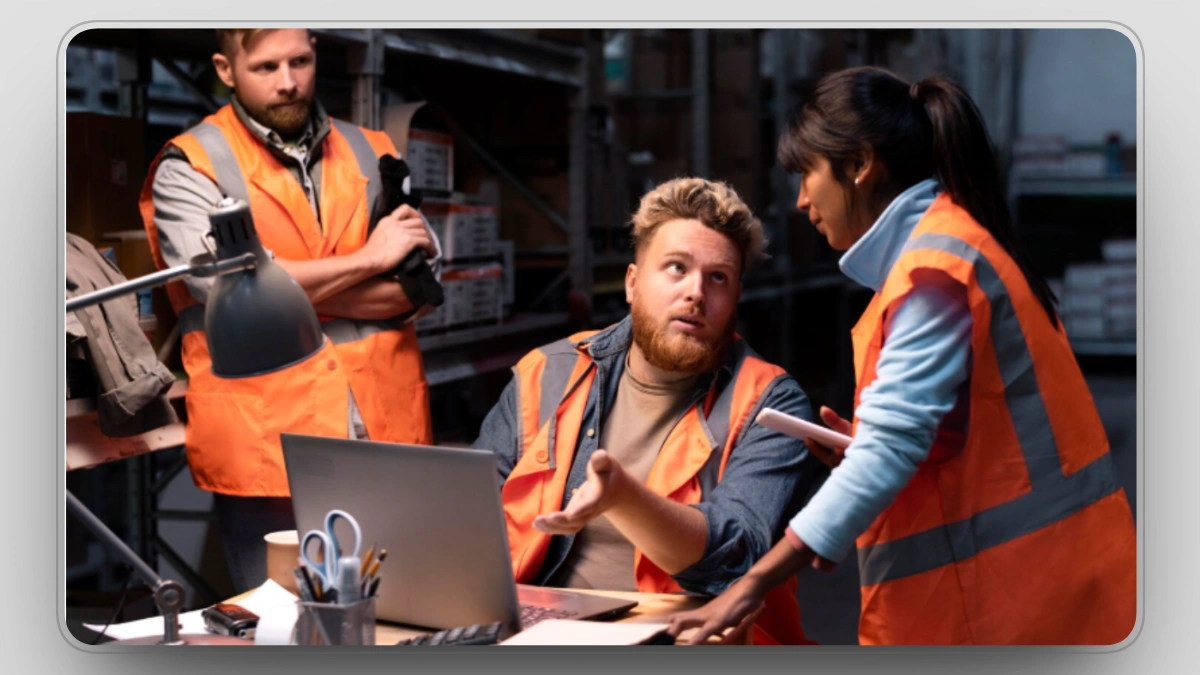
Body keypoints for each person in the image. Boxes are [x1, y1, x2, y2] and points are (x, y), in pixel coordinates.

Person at [667, 67, 1137, 645]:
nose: (801, 201)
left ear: (861, 164)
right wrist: (858, 453)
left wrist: (751, 583)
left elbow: (891, 450)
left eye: (807, 173)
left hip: (1014, 605)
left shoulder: (934, 274)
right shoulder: (954, 250)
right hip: (1033, 591)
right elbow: (962, 436)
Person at [138, 28, 440, 593]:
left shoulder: (373, 150)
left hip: (381, 428)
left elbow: (416, 288)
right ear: (226, 70)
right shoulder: (191, 166)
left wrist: (274, 282)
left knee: (398, 622)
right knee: (281, 629)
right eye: (266, 67)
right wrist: (372, 259)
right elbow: (219, 288)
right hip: (267, 444)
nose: (288, 82)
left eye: (299, 61)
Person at [472, 178, 824, 645]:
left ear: (735, 296)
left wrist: (624, 498)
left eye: (717, 277)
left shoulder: (770, 404)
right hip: (541, 635)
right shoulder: (546, 375)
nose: (696, 292)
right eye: (676, 268)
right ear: (633, 284)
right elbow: (472, 528)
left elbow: (733, 557)